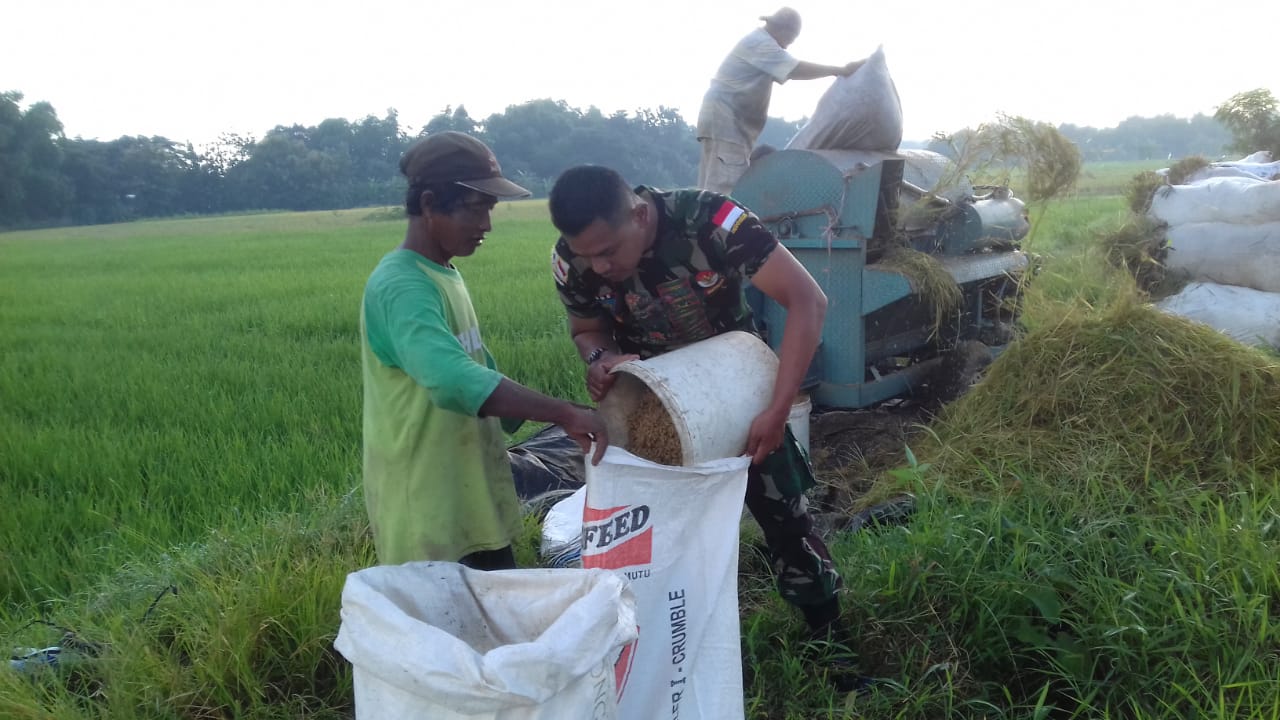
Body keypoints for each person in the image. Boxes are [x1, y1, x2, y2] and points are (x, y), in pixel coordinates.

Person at [547, 164, 870, 691]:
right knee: (660, 539)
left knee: (785, 518)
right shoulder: (573, 259)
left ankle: (831, 642)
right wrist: (599, 358)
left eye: (608, 251)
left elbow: (808, 301)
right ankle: (678, 651)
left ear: (639, 214)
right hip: (651, 405)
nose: (599, 266)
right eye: (588, 256)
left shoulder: (711, 221)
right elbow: (587, 329)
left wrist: (777, 410)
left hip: (735, 388)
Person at [360, 131, 608, 572]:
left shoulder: (442, 273)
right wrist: (563, 413)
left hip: (465, 495)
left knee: (495, 609)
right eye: (476, 209)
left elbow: (477, 364)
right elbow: (453, 379)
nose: (487, 225)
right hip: (428, 510)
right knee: (451, 617)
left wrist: (552, 414)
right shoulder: (402, 285)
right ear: (430, 204)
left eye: (489, 209)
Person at [696, 6, 866, 194]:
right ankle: (719, 215)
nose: (787, 46)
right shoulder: (761, 44)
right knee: (726, 188)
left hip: (724, 121)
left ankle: (705, 212)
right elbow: (794, 69)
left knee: (711, 187)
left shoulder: (759, 42)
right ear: (784, 30)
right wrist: (839, 70)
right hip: (727, 122)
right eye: (790, 40)